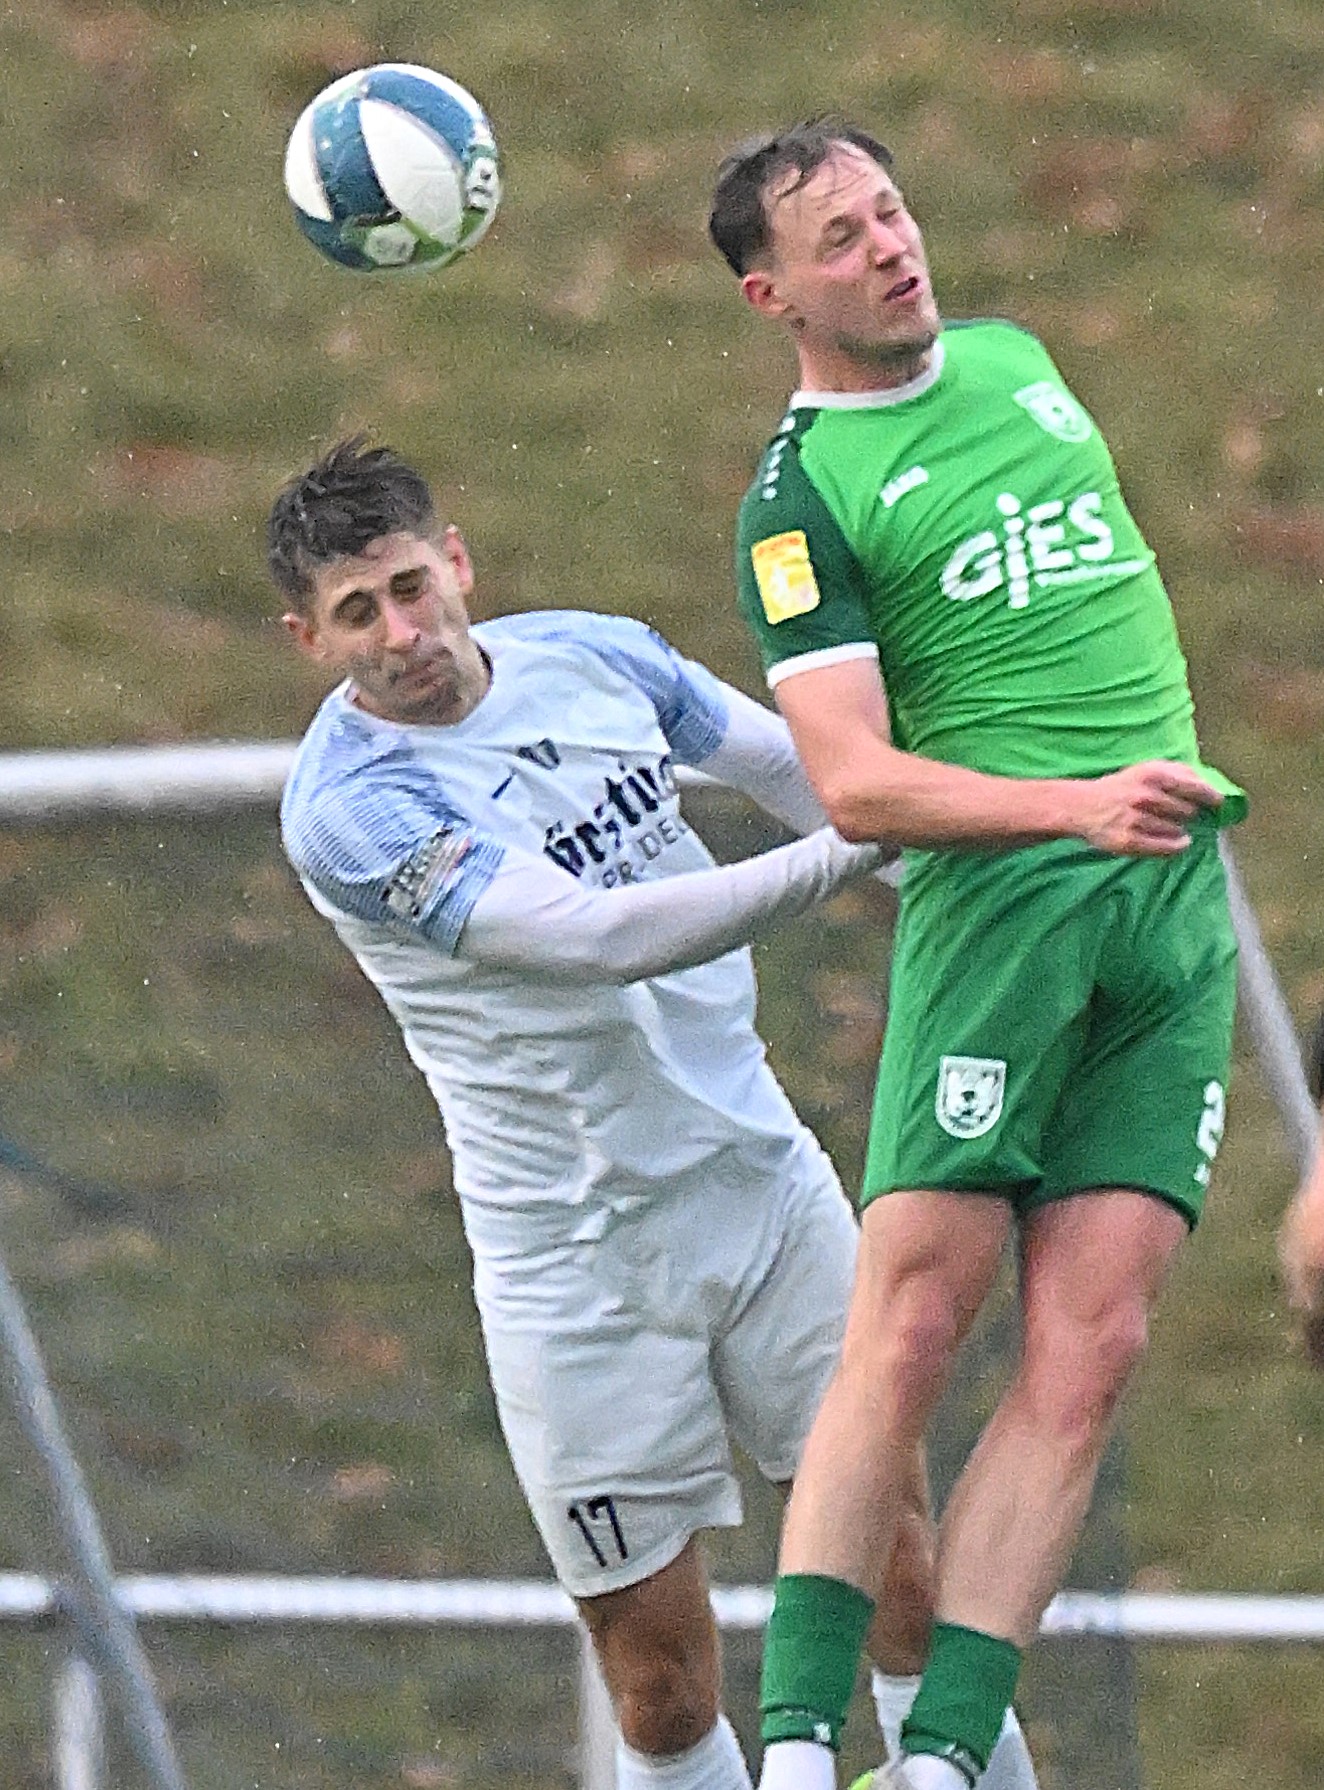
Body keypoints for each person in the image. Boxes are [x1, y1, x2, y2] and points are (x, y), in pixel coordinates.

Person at [266, 437, 1041, 1790]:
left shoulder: (598, 656)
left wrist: (964, 875)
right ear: (310, 641)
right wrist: (853, 846)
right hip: (575, 1264)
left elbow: (799, 770)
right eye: (356, 614)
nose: (401, 634)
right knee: (662, 1684)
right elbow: (598, 937)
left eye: (410, 586)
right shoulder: (353, 810)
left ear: (457, 562)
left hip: (764, 1188)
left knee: (908, 1576)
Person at [707, 118, 1246, 1790]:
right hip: (1009, 910)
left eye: (891, 211)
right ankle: (802, 1745)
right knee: (915, 1321)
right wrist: (1073, 804)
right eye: (840, 238)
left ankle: (945, 1759)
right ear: (772, 295)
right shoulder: (801, 500)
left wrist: (1126, 812)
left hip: (1167, 899)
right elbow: (857, 782)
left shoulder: (1018, 360)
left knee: (1094, 1346)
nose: (888, 246)